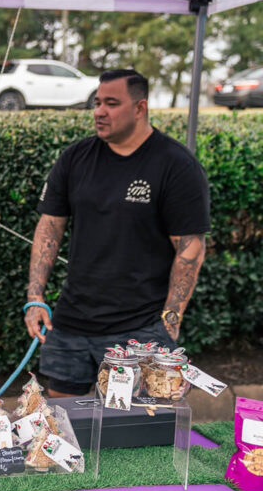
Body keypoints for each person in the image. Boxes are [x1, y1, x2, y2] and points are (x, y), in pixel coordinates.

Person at [24, 69, 210, 397]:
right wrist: (35, 297)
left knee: (129, 429)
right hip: (70, 324)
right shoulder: (75, 158)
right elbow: (49, 228)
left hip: (138, 328)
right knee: (64, 422)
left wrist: (171, 317)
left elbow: (189, 248)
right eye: (98, 103)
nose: (99, 111)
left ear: (140, 108)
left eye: (112, 103)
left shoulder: (176, 165)